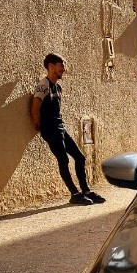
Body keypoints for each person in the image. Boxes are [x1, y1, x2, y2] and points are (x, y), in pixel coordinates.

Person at [31, 53, 106, 206]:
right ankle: (75, 194)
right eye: (61, 65)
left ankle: (86, 191)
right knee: (63, 160)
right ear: (51, 66)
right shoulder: (43, 85)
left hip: (60, 128)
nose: (64, 69)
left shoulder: (58, 87)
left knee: (80, 158)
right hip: (50, 129)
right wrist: (39, 125)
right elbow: (35, 107)